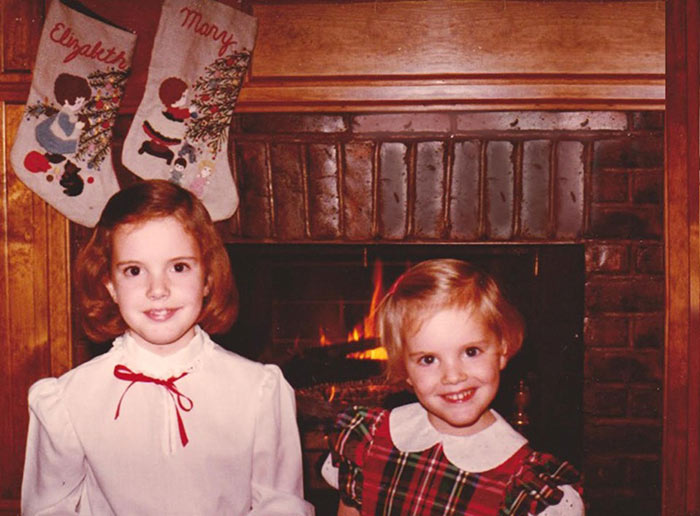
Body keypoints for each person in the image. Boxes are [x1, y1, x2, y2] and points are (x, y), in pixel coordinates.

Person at [21, 180, 314, 515]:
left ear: (207, 278)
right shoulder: (70, 401)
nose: (157, 289)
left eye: (178, 267)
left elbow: (280, 505)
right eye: (134, 271)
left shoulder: (256, 391)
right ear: (111, 285)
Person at [322, 259, 584, 516]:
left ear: (502, 350)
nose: (453, 376)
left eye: (471, 352)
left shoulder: (523, 486)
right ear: (405, 369)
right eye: (428, 359)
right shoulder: (369, 440)